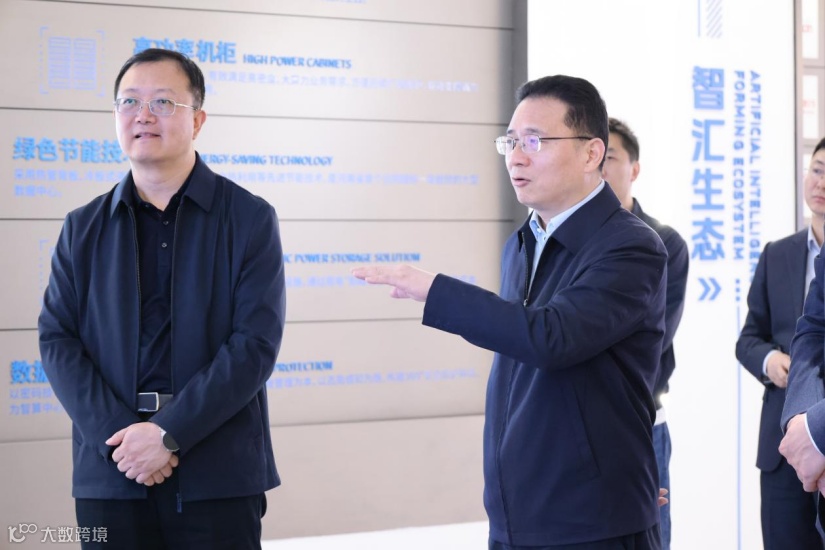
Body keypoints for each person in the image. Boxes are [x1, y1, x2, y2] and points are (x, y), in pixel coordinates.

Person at [353, 75, 667, 549]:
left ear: (591, 153)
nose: (516, 157)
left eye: (535, 141)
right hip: (518, 514)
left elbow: (552, 338)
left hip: (591, 521)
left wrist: (436, 291)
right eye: (511, 142)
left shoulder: (630, 246)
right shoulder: (521, 243)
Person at [38, 48, 286, 549]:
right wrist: (121, 439)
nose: (143, 115)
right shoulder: (83, 227)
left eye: (163, 102)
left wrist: (168, 433)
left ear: (198, 120)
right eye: (129, 101)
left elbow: (253, 345)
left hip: (216, 471)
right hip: (112, 470)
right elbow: (58, 340)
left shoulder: (248, 218)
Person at [602, 117, 689, 550]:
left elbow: (651, 341)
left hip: (639, 422)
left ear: (634, 168)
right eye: (592, 155)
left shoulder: (663, 242)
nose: (598, 166)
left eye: (609, 156)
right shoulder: (568, 238)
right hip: (578, 427)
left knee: (647, 538)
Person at [736, 137, 823, 549]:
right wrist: (770, 360)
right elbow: (748, 338)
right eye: (817, 170)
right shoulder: (777, 254)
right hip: (780, 441)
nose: (821, 182)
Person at [779, 137, 825, 542]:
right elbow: (813, 328)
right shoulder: (778, 254)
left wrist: (818, 429)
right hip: (797, 448)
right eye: (817, 170)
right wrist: (801, 420)